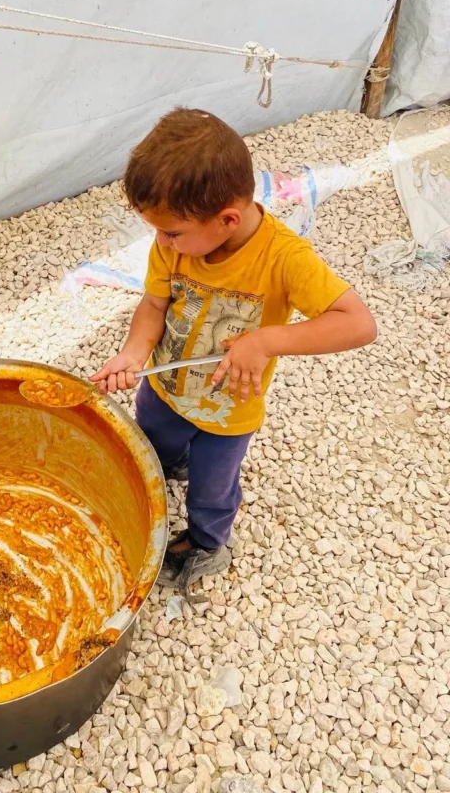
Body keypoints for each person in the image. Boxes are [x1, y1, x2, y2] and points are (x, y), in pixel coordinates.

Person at [91, 108, 377, 595]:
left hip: (228, 410)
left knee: (212, 487)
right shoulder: (174, 244)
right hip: (164, 386)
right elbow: (154, 303)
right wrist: (134, 353)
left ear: (227, 218)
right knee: (154, 444)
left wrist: (266, 340)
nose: (161, 242)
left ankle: (206, 543)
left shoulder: (285, 259)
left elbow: (359, 324)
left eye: (171, 232)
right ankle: (165, 468)